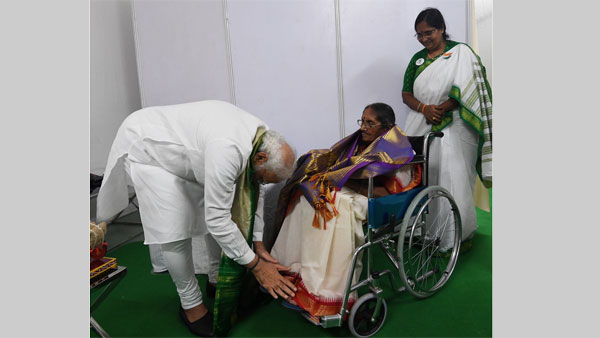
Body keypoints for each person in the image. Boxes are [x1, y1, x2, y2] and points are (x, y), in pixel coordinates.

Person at [95, 100, 298, 337]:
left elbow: (256, 189)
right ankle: (191, 305)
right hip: (148, 149)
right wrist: (256, 266)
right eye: (265, 177)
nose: (262, 182)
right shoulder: (228, 149)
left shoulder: (261, 138)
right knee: (174, 229)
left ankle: (215, 281)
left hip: (188, 152)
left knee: (212, 212)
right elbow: (218, 220)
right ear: (261, 158)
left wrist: (258, 244)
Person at [268, 103, 419, 318]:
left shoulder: (398, 152)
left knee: (333, 209)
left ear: (386, 128)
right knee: (306, 198)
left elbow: (389, 194)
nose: (363, 127)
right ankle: (292, 273)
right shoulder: (359, 144)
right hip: (351, 192)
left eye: (370, 123)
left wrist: (351, 184)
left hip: (376, 200)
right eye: (362, 121)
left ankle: (322, 291)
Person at [401, 7, 493, 251]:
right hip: (422, 122)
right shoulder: (417, 59)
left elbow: (470, 87)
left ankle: (456, 236)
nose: (424, 39)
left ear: (441, 28)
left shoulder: (461, 53)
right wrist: (424, 108)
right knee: (425, 175)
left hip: (456, 123)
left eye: (428, 32)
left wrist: (441, 108)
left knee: (455, 177)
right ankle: (426, 232)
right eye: (419, 35)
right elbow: (406, 93)